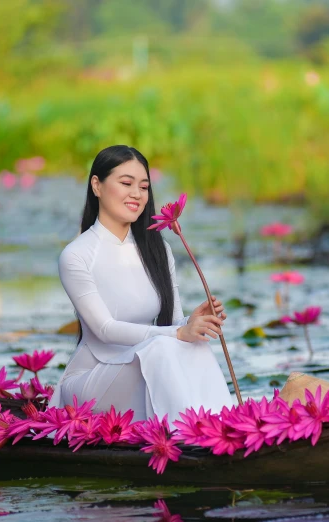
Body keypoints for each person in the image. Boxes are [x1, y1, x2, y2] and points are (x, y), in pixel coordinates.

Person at [48, 145, 235, 422]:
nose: (137, 194)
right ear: (97, 186)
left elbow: (171, 325)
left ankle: (221, 426)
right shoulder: (76, 255)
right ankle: (188, 436)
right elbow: (105, 330)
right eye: (126, 183)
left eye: (144, 186)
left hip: (142, 362)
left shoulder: (157, 249)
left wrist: (190, 324)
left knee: (195, 344)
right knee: (163, 347)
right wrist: (177, 334)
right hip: (91, 381)